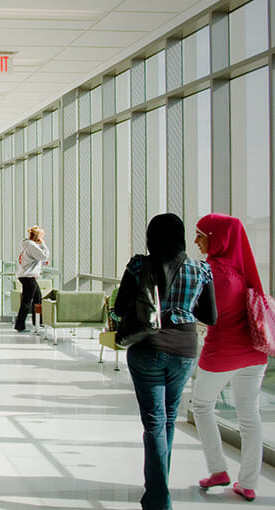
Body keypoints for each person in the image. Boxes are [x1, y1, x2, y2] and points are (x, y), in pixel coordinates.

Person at [115, 213, 216, 510]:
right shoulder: (201, 270)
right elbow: (210, 317)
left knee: (155, 423)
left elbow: (121, 308)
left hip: (147, 348)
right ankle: (159, 488)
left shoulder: (138, 265)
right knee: (168, 419)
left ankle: (158, 496)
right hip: (184, 350)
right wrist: (181, 307)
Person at [191, 213, 268, 502]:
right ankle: (248, 483)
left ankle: (218, 469)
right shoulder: (245, 270)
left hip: (221, 352)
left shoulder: (210, 272)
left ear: (217, 239)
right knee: (250, 416)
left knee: (201, 406)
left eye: (201, 235)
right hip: (254, 355)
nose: (196, 241)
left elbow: (203, 316)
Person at [14, 226, 50, 332]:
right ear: (38, 237)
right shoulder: (32, 245)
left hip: (27, 276)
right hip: (28, 277)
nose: (43, 238)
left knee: (38, 298)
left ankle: (38, 322)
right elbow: (44, 255)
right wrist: (42, 244)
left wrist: (41, 263)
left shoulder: (28, 245)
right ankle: (20, 326)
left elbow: (32, 259)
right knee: (27, 301)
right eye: (42, 236)